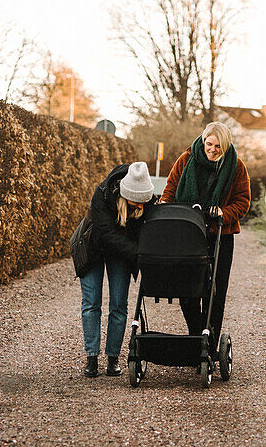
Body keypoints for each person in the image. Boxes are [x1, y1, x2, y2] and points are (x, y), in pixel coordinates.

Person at [159, 121, 251, 349]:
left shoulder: (236, 167)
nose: (212, 149)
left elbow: (243, 201)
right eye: (209, 144)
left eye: (218, 146)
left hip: (220, 234)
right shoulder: (186, 160)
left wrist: (224, 212)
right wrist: (164, 208)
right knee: (187, 289)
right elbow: (170, 188)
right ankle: (195, 336)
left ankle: (209, 343)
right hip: (188, 233)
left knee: (216, 292)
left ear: (226, 146)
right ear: (203, 141)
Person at [79, 161, 154, 378]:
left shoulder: (146, 200)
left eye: (143, 203)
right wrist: (137, 254)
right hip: (93, 246)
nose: (139, 207)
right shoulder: (103, 194)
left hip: (121, 252)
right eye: (134, 202)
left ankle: (113, 358)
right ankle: (91, 357)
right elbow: (106, 234)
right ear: (124, 194)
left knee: (119, 305)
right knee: (91, 302)